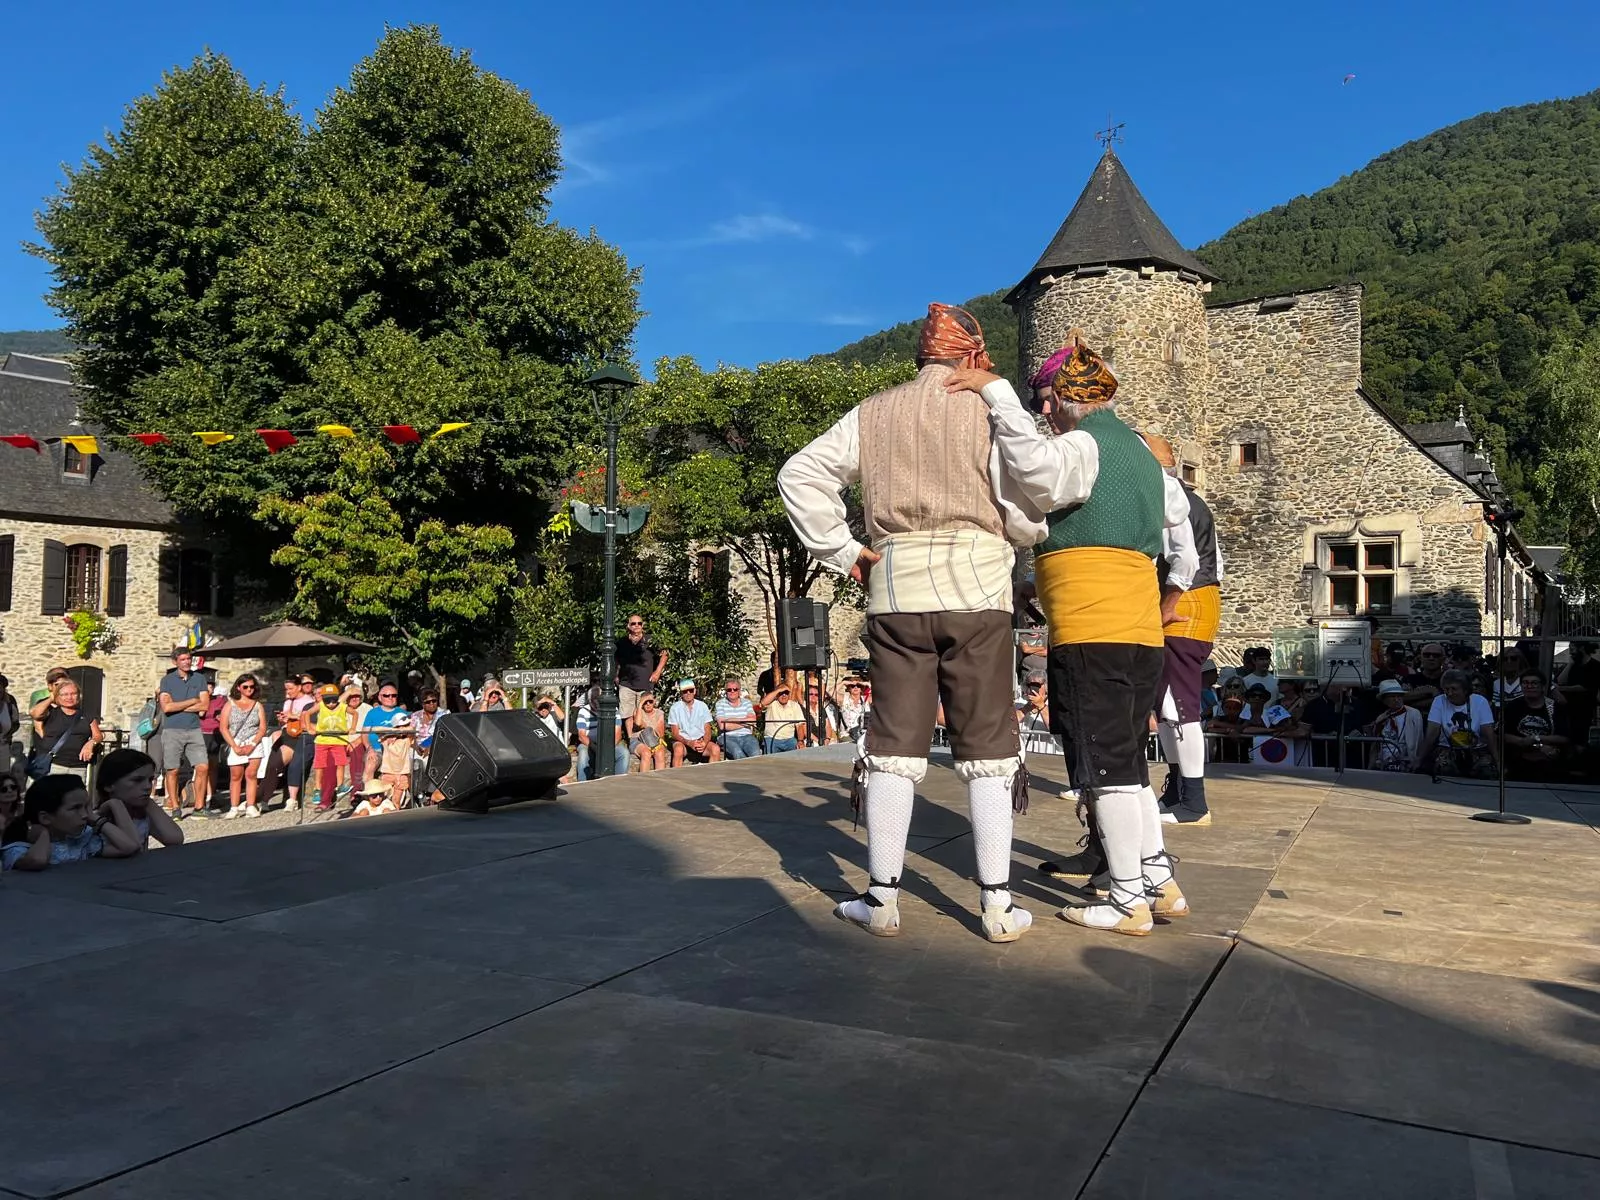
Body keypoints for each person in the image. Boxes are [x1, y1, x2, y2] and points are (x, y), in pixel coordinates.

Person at [781, 302, 1045, 944]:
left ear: (922, 356)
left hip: (895, 588)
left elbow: (800, 473)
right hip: (979, 586)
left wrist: (846, 552)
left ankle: (882, 899)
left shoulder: (875, 411)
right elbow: (1029, 504)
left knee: (893, 745)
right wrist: (1021, 534)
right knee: (987, 748)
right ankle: (997, 905)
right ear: (973, 355)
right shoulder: (990, 408)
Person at [943, 331, 1190, 936]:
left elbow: (1040, 477)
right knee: (1128, 762)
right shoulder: (1139, 452)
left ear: (1068, 398)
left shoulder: (1082, 446)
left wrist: (997, 395)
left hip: (1093, 628)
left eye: (1046, 398)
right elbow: (1181, 542)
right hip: (1136, 628)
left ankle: (1127, 898)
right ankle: (1158, 879)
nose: (1043, 409)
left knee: (1104, 766)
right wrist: (1168, 594)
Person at [1140, 432, 1220, 827]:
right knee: (1169, 704)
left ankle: (1194, 800)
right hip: (1188, 599)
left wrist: (1166, 606)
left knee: (1178, 705)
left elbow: (1182, 561)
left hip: (1184, 602)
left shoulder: (1173, 499)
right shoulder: (1184, 497)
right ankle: (1178, 790)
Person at [2, 774, 140, 870]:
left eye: (86, 806)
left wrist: (104, 814)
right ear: (45, 818)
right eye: (75, 808)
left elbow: (129, 847)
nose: (85, 815)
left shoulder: (80, 840)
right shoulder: (21, 847)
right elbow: (37, 861)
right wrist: (43, 835)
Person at [158, 649, 212, 819]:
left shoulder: (199, 678)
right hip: (172, 730)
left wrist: (178, 706)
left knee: (203, 767)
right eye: (183, 659)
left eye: (189, 659)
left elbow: (204, 706)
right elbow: (166, 707)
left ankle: (199, 806)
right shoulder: (167, 680)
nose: (187, 662)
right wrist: (192, 701)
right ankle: (175, 806)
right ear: (175, 662)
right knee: (172, 769)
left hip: (194, 729)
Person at [94, 748, 183, 848]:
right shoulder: (93, 820)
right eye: (137, 780)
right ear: (109, 785)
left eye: (150, 780)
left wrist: (148, 802)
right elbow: (131, 847)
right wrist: (115, 805)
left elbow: (175, 839)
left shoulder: (142, 815)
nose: (148, 786)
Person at [1420, 669, 1498, 778]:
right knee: (1445, 768)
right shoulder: (1439, 701)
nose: (1449, 693)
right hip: (1448, 749)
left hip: (1477, 749)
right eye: (1446, 689)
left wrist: (1498, 762)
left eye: (1454, 689)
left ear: (1465, 690)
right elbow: (1431, 734)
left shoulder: (1480, 701)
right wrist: (1419, 760)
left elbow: (1489, 735)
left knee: (1486, 771)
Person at [1501, 670, 1573, 781]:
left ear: (1543, 687)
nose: (1529, 686)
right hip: (1518, 760)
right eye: (1525, 683)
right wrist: (1532, 744)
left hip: (1549, 761)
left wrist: (1536, 738)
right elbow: (1502, 734)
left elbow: (1564, 737)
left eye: (1534, 683)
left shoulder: (1555, 708)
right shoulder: (1513, 706)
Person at [29, 676, 102, 784]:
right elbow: (34, 713)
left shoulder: (86, 715)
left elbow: (98, 735)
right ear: (58, 697)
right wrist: (51, 698)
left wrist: (91, 743)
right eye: (64, 694)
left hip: (78, 767)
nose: (69, 697)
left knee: (73, 798)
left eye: (73, 693)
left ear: (79, 695)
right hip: (53, 765)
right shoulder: (51, 713)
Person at [218, 674, 268, 818]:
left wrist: (252, 744)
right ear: (238, 687)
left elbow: (262, 727)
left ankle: (250, 805)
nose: (249, 690)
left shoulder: (258, 705)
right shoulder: (230, 705)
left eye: (252, 687)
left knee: (251, 774)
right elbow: (223, 727)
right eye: (245, 687)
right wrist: (234, 745)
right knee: (236, 775)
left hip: (254, 740)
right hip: (236, 741)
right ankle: (234, 807)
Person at [616, 614, 668, 728]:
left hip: (645, 684)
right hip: (626, 684)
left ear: (642, 625)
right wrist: (616, 674)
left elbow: (664, 654)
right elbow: (617, 660)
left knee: (644, 714)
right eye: (633, 623)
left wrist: (657, 672)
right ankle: (631, 740)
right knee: (627, 715)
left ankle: (642, 740)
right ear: (628, 626)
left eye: (639, 623)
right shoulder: (622, 642)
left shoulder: (650, 640)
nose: (636, 626)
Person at [311, 683, 353, 813]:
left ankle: (333, 797)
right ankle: (323, 797)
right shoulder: (319, 706)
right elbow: (305, 717)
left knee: (338, 766)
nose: (330, 702)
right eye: (317, 694)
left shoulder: (340, 705)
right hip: (325, 740)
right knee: (325, 768)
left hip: (341, 740)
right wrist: (310, 728)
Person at [1367, 680, 1425, 772]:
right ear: (1384, 700)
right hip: (1384, 764)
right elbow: (1375, 744)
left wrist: (1416, 761)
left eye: (1399, 696)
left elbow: (1419, 739)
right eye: (1392, 696)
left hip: (1406, 763)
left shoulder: (1413, 714)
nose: (1397, 699)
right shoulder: (1381, 718)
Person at [575, 687, 630, 778]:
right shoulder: (583, 711)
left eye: (599, 699)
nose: (597, 702)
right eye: (594, 699)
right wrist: (596, 748)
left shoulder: (614, 710)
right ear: (590, 700)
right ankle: (583, 783)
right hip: (588, 744)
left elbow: (618, 734)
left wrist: (607, 749)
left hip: (609, 745)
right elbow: (581, 736)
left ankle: (618, 782)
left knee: (624, 753)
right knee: (583, 754)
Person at [668, 680, 722, 766]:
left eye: (691, 690)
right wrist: (689, 742)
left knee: (715, 749)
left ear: (695, 691)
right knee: (678, 750)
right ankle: (676, 777)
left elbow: (707, 729)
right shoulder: (675, 708)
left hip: (699, 740)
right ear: (681, 693)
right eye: (685, 691)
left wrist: (704, 742)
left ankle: (713, 776)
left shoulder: (702, 706)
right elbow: (675, 733)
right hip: (683, 742)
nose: (688, 693)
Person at [714, 678, 760, 760]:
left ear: (739, 691)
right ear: (726, 691)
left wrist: (730, 720)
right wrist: (745, 721)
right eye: (729, 689)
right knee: (737, 752)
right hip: (727, 737)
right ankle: (744, 772)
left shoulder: (747, 703)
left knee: (756, 753)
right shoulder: (720, 704)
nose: (732, 691)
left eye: (735, 689)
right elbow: (722, 726)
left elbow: (753, 720)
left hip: (747, 736)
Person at [625, 694, 668, 772]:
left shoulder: (659, 713)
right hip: (637, 740)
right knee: (646, 752)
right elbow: (638, 723)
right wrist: (640, 704)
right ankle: (645, 780)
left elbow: (660, 734)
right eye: (645, 702)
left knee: (660, 752)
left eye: (650, 701)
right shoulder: (638, 711)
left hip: (653, 739)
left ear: (654, 702)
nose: (648, 704)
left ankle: (661, 779)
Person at [1402, 643, 1448, 715]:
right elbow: (1400, 699)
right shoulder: (1410, 678)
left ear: (1443, 659)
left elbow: (1448, 702)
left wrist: (1413, 702)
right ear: (1421, 658)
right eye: (1427, 655)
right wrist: (1430, 691)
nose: (1431, 658)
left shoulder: (1449, 680)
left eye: (1436, 655)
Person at [760, 683, 806, 754]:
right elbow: (763, 703)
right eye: (781, 693)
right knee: (769, 759)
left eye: (786, 692)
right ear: (777, 694)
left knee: (800, 753)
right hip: (772, 738)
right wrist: (778, 690)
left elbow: (799, 725)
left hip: (789, 739)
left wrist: (800, 741)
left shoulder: (794, 705)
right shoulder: (771, 704)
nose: (784, 695)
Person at [836, 679, 870, 744]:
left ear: (861, 688)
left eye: (858, 685)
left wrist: (867, 684)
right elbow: (831, 693)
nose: (855, 687)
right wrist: (843, 682)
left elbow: (882, 695)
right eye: (852, 686)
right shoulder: (844, 699)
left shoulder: (866, 699)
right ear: (848, 688)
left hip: (864, 734)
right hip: (847, 735)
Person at [0, 673, 20, 779]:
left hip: (3, 747)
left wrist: (9, 734)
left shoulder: (9, 703)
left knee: (3, 777)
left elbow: (16, 723)